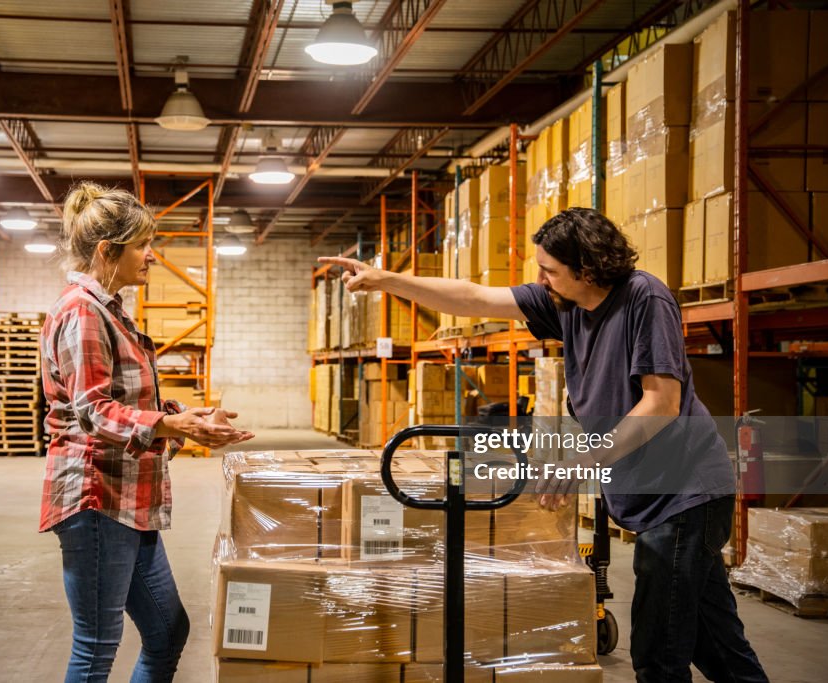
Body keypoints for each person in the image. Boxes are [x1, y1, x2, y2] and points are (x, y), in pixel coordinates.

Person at [319, 207, 767, 682]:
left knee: (659, 651)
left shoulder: (644, 298)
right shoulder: (565, 305)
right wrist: (386, 280)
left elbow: (662, 402)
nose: (541, 278)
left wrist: (582, 462)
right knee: (715, 644)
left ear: (587, 269)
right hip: (650, 496)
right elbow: (473, 297)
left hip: (685, 494)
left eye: (550, 270)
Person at [39, 182, 253, 682]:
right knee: (96, 647)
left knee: (167, 632)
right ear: (106, 252)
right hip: (97, 501)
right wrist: (169, 425)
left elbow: (130, 402)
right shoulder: (82, 312)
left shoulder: (111, 310)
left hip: (130, 501)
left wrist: (187, 418)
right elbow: (93, 409)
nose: (152, 256)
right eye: (141, 245)